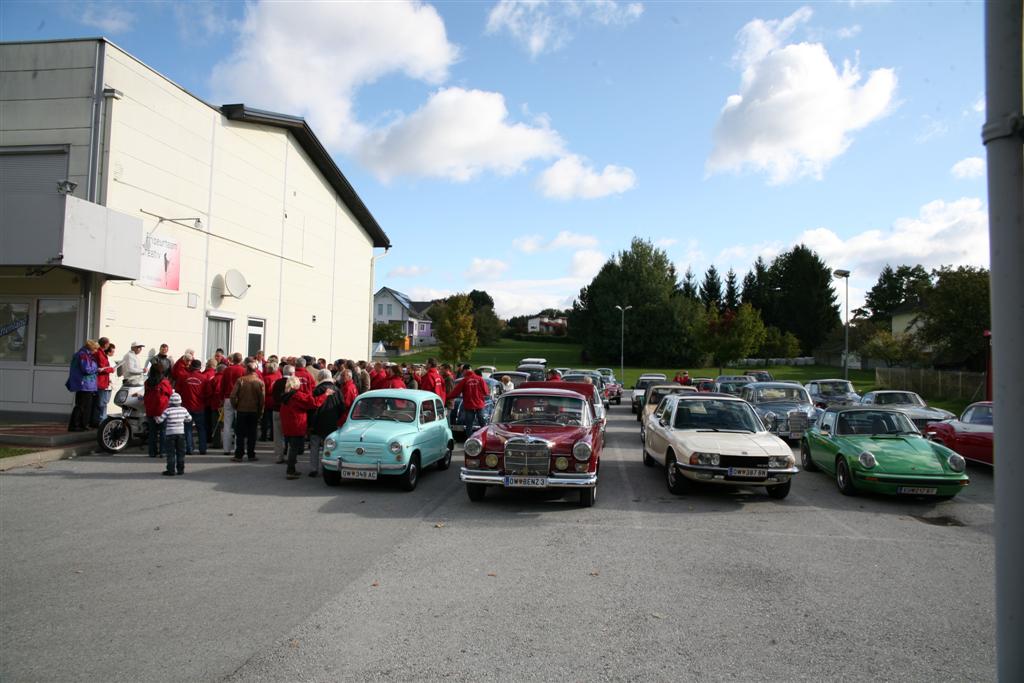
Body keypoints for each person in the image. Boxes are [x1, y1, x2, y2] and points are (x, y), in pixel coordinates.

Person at [279, 375, 323, 479]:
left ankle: (292, 469)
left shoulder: (285, 395)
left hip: (287, 425)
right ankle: (290, 470)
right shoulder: (297, 396)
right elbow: (315, 403)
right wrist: (325, 395)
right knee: (294, 449)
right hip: (297, 424)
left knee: (292, 448)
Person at [308, 369, 342, 478]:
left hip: (317, 422)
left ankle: (314, 469)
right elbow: (342, 406)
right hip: (332, 422)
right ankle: (327, 468)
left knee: (315, 446)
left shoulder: (317, 389)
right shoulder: (337, 390)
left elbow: (311, 407)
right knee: (329, 447)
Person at [230, 361, 265, 462]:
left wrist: (236, 406)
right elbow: (262, 400)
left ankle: (239, 455)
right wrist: (260, 411)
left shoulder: (240, 380)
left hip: (242, 410)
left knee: (240, 434)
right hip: (254, 411)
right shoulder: (260, 382)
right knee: (252, 434)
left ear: (247, 369)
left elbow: (233, 396)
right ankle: (251, 454)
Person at [66, 340, 100, 432]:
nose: (96, 351)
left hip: (86, 384)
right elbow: (87, 369)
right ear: (92, 348)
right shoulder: (83, 355)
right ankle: (76, 425)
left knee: (84, 406)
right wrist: (97, 368)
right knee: (82, 406)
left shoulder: (85, 355)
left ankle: (81, 424)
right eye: (96, 349)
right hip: (84, 384)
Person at [155, 392, 191, 476]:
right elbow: (189, 418)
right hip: (181, 434)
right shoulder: (184, 410)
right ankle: (180, 470)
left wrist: (156, 418)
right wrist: (183, 420)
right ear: (180, 401)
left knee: (171, 453)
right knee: (180, 452)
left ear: (170, 402)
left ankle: (171, 470)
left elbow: (160, 420)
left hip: (170, 434)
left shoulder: (167, 410)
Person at [177, 359, 207, 455]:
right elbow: (208, 393)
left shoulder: (184, 377)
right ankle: (202, 449)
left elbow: (178, 390)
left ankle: (189, 448)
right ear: (199, 368)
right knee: (201, 428)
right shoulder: (204, 378)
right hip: (199, 406)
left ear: (191, 366)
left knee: (188, 428)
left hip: (186, 406)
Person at [448, 364, 487, 435]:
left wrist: (448, 397)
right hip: (479, 404)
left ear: (465, 370)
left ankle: (470, 441)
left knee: (469, 425)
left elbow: (456, 392)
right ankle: (484, 438)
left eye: (463, 371)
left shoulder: (464, 380)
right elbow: (486, 392)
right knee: (482, 423)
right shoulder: (480, 379)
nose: (462, 373)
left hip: (469, 405)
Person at [144, 365, 173, 457]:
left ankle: (152, 452)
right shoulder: (164, 382)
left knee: (152, 432)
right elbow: (170, 393)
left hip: (150, 409)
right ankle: (163, 451)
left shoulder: (147, 382)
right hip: (162, 409)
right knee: (163, 431)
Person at [219, 352, 245, 454]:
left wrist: (221, 399)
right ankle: (237, 448)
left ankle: (226, 449)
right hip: (239, 399)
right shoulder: (243, 370)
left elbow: (222, 385)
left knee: (227, 424)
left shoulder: (227, 370)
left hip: (228, 398)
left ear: (232, 360)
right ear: (241, 360)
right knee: (239, 424)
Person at [271, 364, 294, 463]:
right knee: (290, 434)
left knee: (277, 435)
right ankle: (290, 456)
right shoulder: (293, 383)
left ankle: (279, 456)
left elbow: (273, 395)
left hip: (276, 409)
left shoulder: (277, 382)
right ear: (291, 373)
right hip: (288, 411)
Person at [92, 337, 116, 426]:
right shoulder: (100, 353)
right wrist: (111, 370)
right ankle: (101, 421)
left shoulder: (101, 353)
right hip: (101, 381)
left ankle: (100, 420)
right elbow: (102, 367)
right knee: (102, 403)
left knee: (102, 403)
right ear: (105, 344)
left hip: (104, 381)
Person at [261, 360, 281, 441]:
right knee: (273, 420)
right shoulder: (278, 376)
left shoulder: (266, 378)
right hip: (275, 399)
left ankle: (264, 436)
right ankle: (273, 436)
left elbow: (263, 390)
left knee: (265, 420)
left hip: (267, 399)